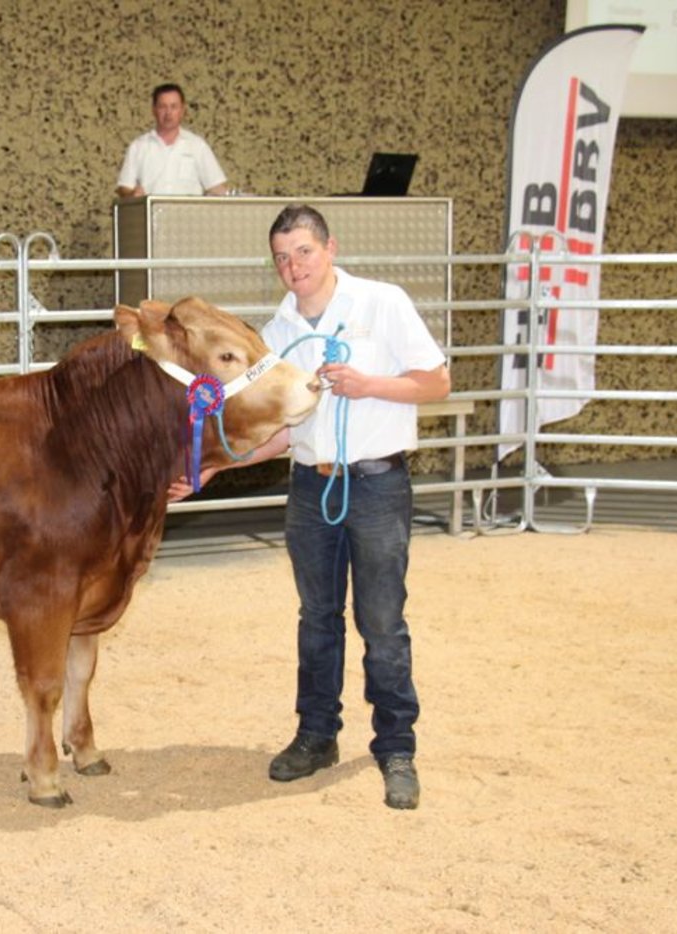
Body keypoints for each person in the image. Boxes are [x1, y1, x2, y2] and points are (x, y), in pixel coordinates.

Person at [171, 204, 449, 809]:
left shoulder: (383, 303)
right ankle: (316, 734)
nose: (292, 266)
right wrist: (212, 469)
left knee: (381, 621)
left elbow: (436, 382)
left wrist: (368, 384)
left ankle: (396, 748)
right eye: (280, 257)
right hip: (308, 486)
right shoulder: (275, 333)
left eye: (302, 252)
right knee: (317, 618)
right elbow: (277, 430)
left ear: (330, 249)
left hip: (376, 485)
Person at [115, 83, 229, 198]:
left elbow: (217, 187)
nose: (168, 112)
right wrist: (132, 193)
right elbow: (124, 188)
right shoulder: (138, 146)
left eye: (173, 106)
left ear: (182, 110)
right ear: (154, 110)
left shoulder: (197, 146)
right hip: (151, 215)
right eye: (162, 107)